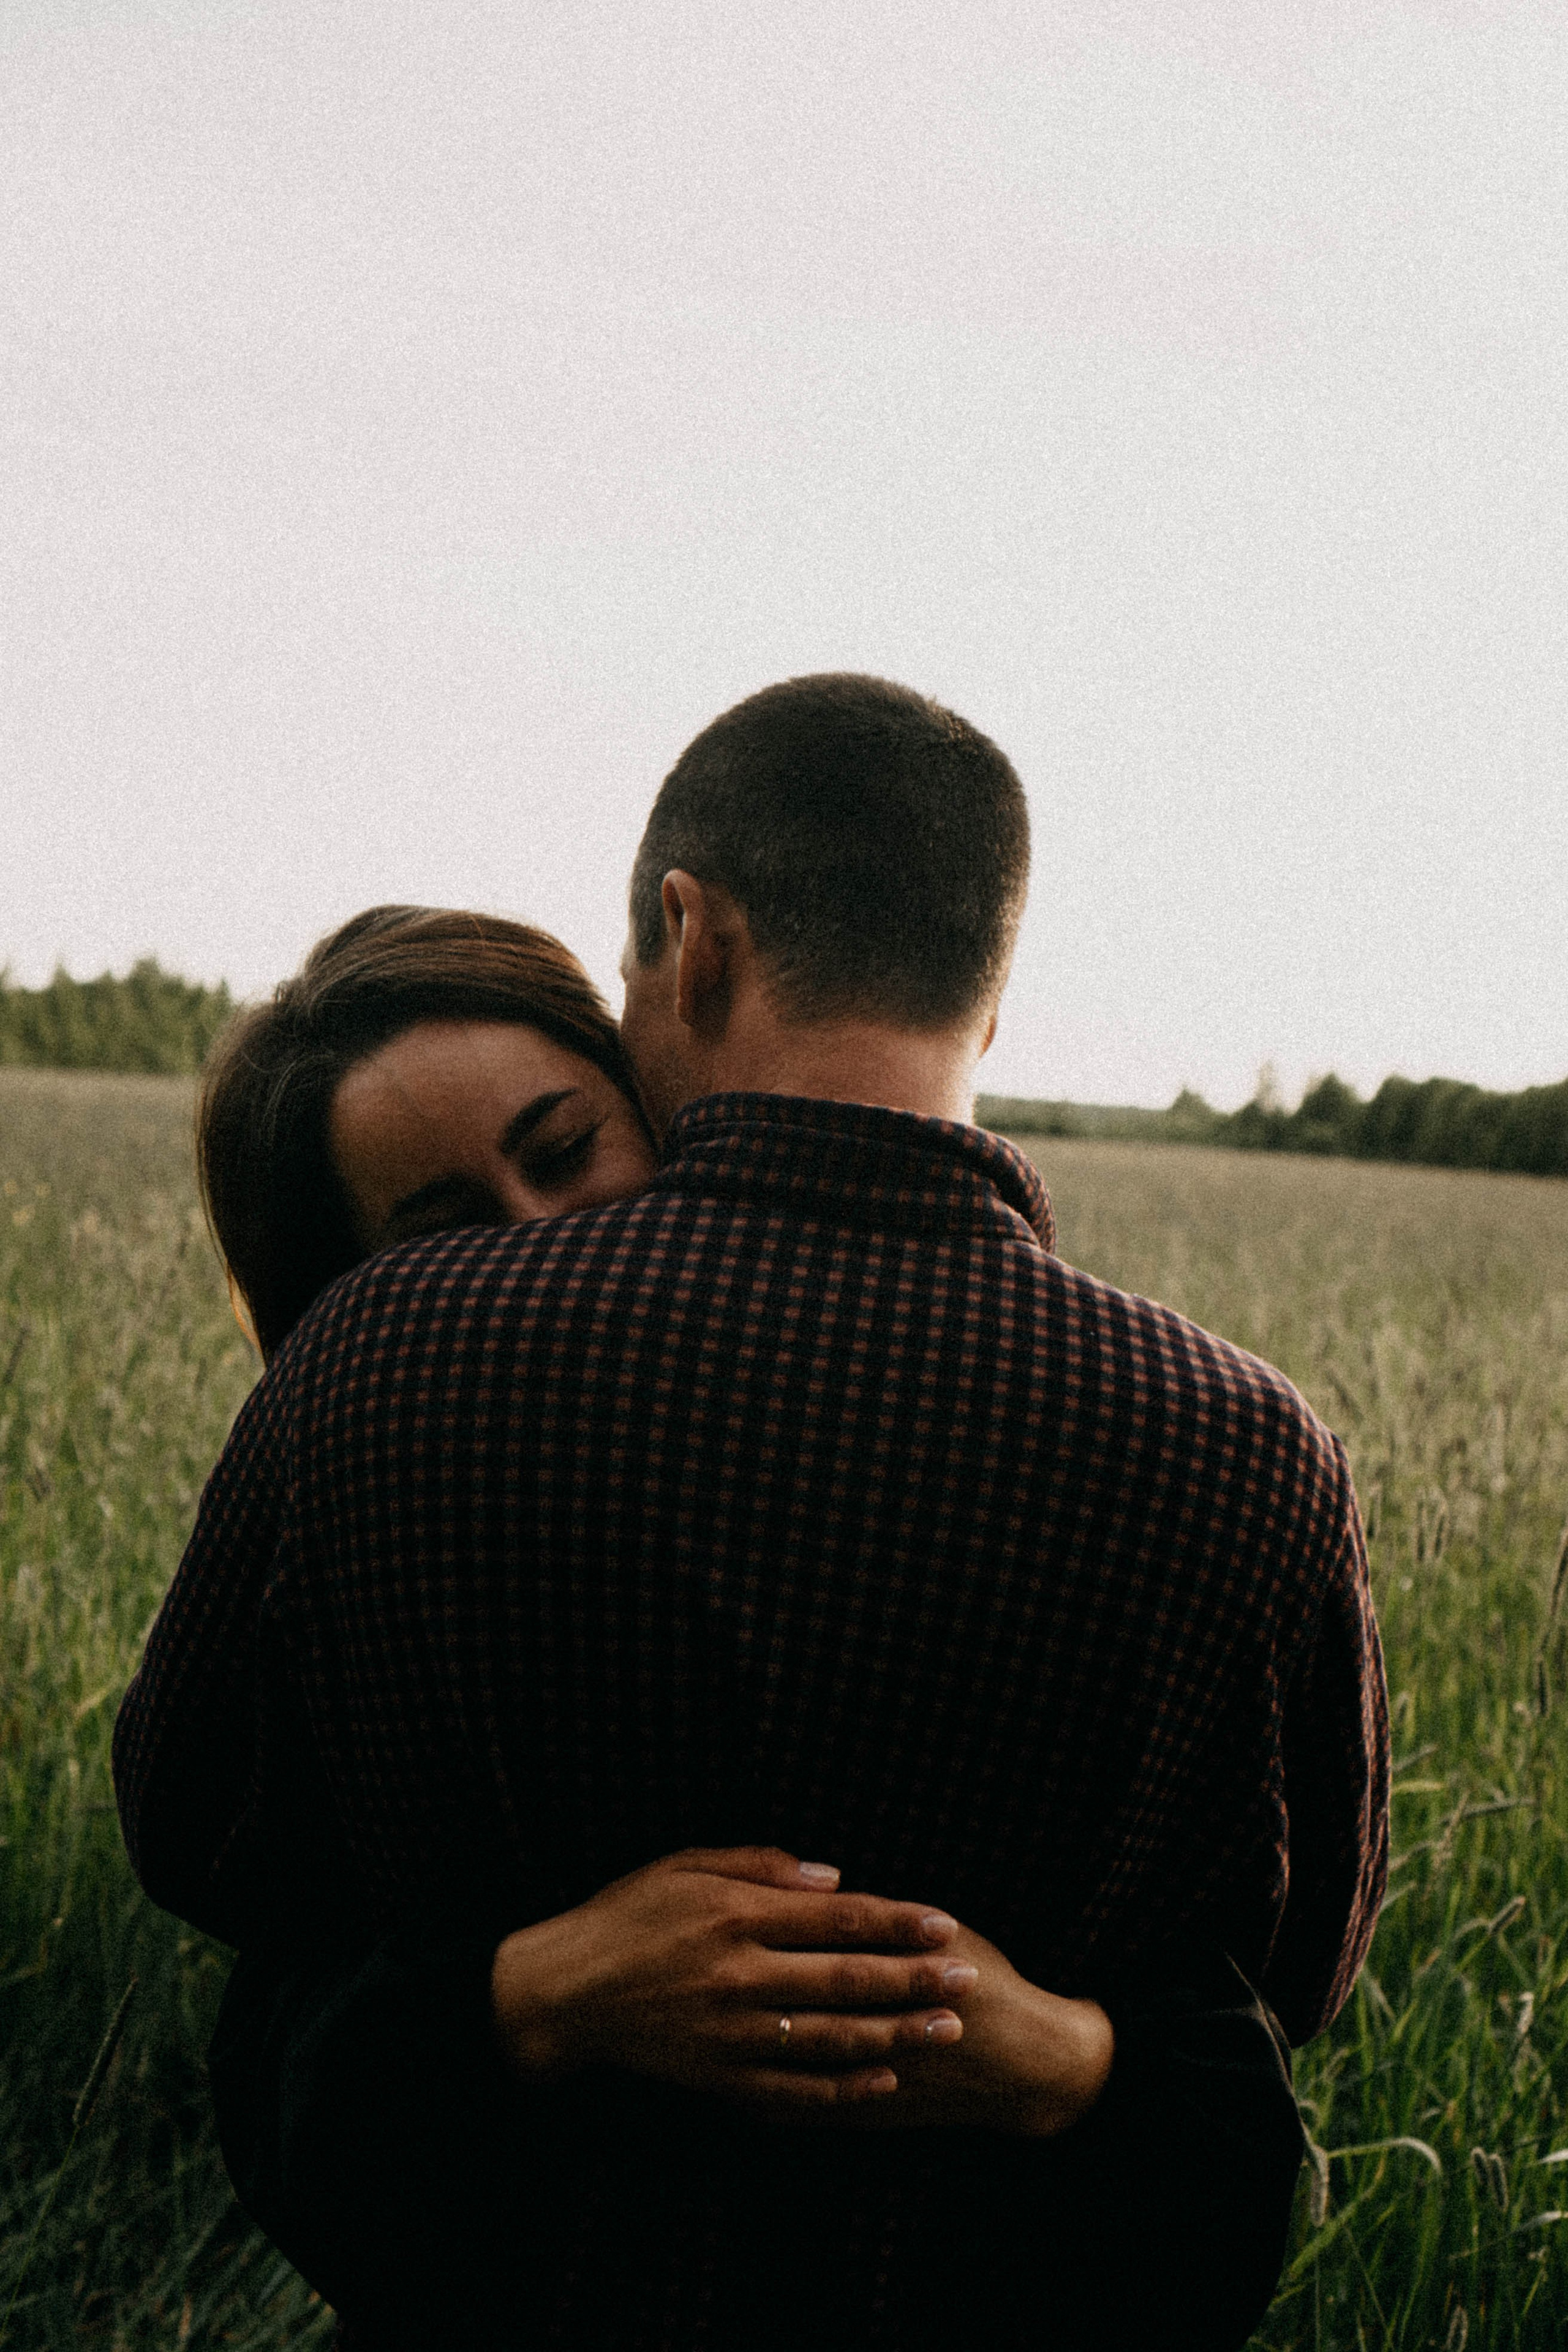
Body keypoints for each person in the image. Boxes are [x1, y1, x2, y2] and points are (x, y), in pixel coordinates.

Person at [115, 675, 1387, 2347]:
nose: (535, 1236)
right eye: (446, 1220)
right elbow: (1284, 1992)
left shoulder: (370, 1369)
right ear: (988, 1006)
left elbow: (205, 1839)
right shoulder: (1251, 1452)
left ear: (687, 937)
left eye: (564, 1145)